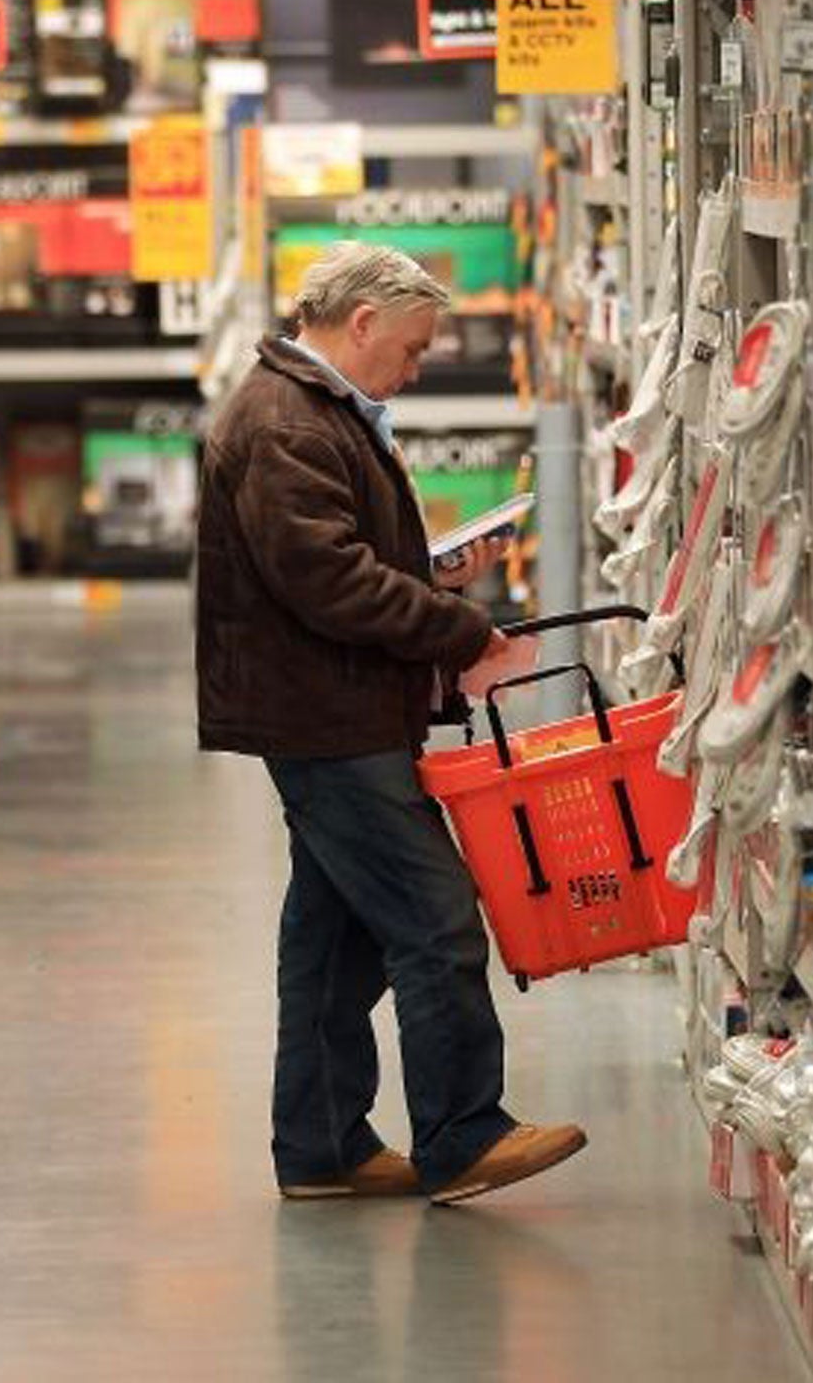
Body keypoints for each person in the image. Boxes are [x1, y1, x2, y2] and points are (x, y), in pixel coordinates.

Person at [194, 241, 587, 1206]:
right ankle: (462, 1135)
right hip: (327, 717)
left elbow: (334, 562)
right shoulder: (286, 421)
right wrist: (462, 630)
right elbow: (329, 582)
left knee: (337, 943)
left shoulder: (310, 411)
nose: (414, 370)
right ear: (360, 323)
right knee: (435, 919)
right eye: (410, 351)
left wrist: (428, 574)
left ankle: (322, 1145)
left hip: (335, 704)